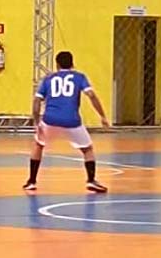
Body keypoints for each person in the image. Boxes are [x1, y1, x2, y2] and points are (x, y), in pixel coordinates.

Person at [25, 51, 110, 193]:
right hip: (72, 120)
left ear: (57, 64)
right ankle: (91, 180)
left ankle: (31, 181)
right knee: (87, 149)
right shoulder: (79, 77)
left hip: (50, 119)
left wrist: (37, 121)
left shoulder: (48, 79)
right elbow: (91, 95)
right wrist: (102, 116)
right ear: (72, 63)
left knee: (39, 145)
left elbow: (37, 100)